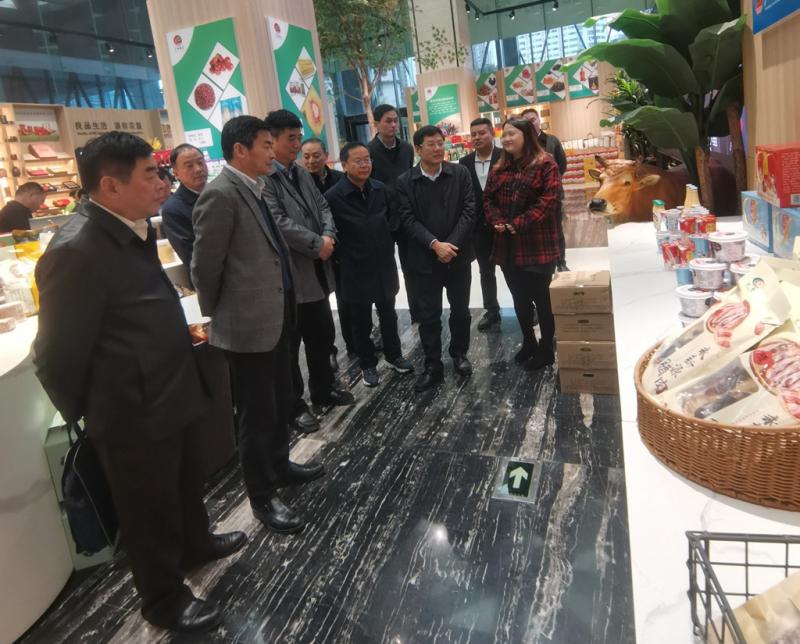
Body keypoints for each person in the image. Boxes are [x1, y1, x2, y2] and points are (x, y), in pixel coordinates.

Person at [33, 131, 245, 634]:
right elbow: (56, 353)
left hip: (169, 387)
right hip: (129, 409)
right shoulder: (76, 249)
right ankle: (163, 599)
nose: (162, 182)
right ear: (110, 185)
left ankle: (196, 543)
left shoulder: (129, 227)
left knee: (183, 481)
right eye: (150, 174)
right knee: (148, 509)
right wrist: (95, 411)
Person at [192, 116, 324, 536]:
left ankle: (280, 465)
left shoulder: (257, 186)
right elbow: (204, 267)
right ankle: (262, 495)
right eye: (266, 145)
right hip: (246, 324)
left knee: (280, 399)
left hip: (277, 313)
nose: (273, 152)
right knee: (255, 413)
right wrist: (222, 314)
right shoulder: (220, 194)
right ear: (240, 150)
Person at [262, 109, 354, 431]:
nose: (296, 144)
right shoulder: (265, 178)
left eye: (298, 137)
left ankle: (323, 389)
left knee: (322, 335)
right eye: (291, 138)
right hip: (290, 276)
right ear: (272, 140)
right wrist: (318, 244)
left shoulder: (300, 172)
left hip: (316, 270)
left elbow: (323, 205)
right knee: (291, 347)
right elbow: (278, 223)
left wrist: (328, 236)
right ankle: (295, 406)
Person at [324, 142, 415, 387]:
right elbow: (330, 231)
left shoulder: (380, 188)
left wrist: (386, 239)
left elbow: (393, 218)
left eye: (367, 160)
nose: (365, 165)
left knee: (389, 314)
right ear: (344, 165)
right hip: (354, 267)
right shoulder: (333, 196)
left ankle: (394, 355)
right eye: (358, 161)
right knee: (360, 321)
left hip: (383, 264)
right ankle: (367, 364)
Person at [396, 125, 476, 392]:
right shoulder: (405, 181)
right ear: (418, 149)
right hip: (424, 260)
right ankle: (432, 366)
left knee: (461, 311)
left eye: (441, 143)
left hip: (457, 257)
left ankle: (459, 354)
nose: (438, 148)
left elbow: (469, 211)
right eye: (431, 144)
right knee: (429, 316)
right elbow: (407, 219)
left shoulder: (459, 173)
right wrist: (434, 245)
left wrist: (449, 245)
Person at [483, 119, 562, 371]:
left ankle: (546, 349)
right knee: (519, 298)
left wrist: (517, 223)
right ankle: (529, 342)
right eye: (504, 135)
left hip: (537, 244)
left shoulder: (545, 163)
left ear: (526, 135)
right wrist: (497, 220)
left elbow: (549, 201)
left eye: (511, 134)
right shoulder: (499, 168)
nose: (506, 139)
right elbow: (488, 199)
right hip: (507, 246)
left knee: (542, 299)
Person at [300, 136, 355, 370]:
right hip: (317, 249)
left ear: (326, 156)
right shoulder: (301, 183)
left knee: (347, 298)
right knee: (323, 306)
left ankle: (354, 343)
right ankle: (330, 350)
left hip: (341, 247)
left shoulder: (341, 179)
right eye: (306, 156)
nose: (311, 161)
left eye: (316, 155)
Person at [367, 104, 416, 321]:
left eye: (396, 120)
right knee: (384, 270)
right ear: (376, 124)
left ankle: (417, 311)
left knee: (412, 267)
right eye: (388, 121)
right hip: (381, 218)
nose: (394, 125)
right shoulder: (369, 151)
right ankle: (386, 318)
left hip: (407, 215)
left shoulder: (406, 148)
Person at [459, 117, 502, 332]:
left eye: (481, 133)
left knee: (514, 269)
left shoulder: (505, 156)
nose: (477, 137)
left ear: (492, 133)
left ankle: (527, 307)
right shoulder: (464, 163)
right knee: (485, 271)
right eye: (473, 134)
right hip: (478, 227)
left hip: (503, 224)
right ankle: (492, 310)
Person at [520, 107, 568, 272]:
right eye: (526, 121)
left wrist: (551, 183)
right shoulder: (521, 144)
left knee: (556, 229)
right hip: (530, 198)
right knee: (536, 231)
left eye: (533, 119)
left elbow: (562, 165)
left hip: (552, 195)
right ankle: (541, 262)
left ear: (539, 120)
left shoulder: (552, 141)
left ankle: (561, 261)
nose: (530, 123)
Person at [161, 143, 208, 268]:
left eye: (200, 163)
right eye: (189, 166)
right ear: (176, 173)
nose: (198, 169)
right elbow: (192, 257)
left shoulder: (220, 194)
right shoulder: (173, 209)